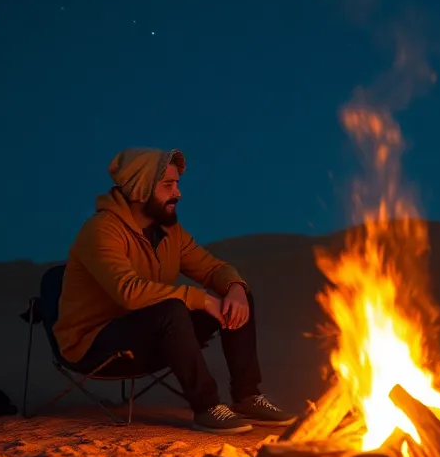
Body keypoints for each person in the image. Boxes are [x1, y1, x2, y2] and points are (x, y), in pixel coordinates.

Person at [54, 147, 296, 435]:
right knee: (172, 309)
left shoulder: (169, 232)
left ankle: (247, 396)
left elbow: (212, 269)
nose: (178, 193)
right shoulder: (101, 230)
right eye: (168, 185)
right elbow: (128, 291)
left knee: (237, 299)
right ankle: (207, 407)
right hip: (96, 342)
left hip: (150, 332)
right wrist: (200, 299)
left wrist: (235, 287)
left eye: (177, 184)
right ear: (141, 189)